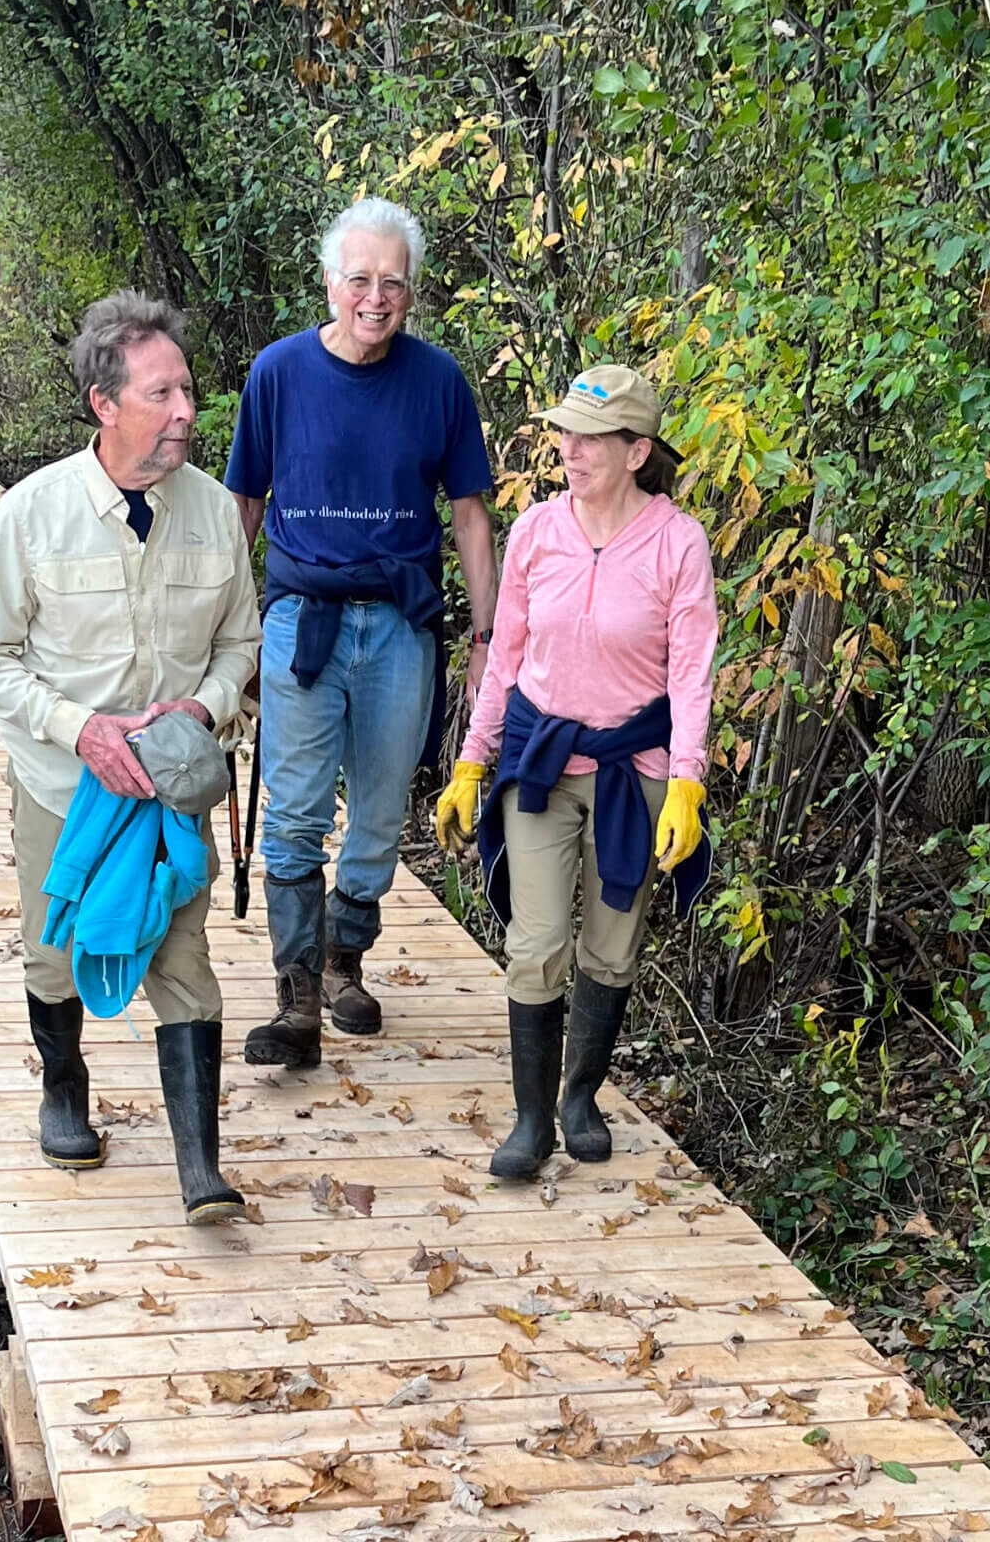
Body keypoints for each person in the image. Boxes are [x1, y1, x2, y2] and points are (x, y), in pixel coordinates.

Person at [0, 291, 261, 1225]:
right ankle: (62, 1088)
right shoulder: (34, 513)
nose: (185, 412)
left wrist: (203, 709)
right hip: (65, 784)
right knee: (57, 952)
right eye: (163, 394)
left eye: (188, 392)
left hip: (174, 786)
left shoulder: (213, 513)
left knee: (182, 955)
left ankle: (200, 1166)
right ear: (105, 403)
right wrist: (79, 728)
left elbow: (241, 645)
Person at [224, 198, 498, 1069]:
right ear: (330, 282)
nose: (375, 298)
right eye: (360, 280)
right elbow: (244, 504)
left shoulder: (438, 381)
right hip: (302, 621)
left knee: (380, 819)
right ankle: (297, 994)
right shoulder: (277, 373)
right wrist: (226, 625)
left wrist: (487, 638)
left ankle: (347, 962)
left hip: (400, 629)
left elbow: (469, 516)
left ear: (410, 291)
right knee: (296, 814)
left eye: (393, 283)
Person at [434, 364, 718, 1181]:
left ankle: (579, 1096)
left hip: (639, 770)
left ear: (637, 452)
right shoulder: (535, 532)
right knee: (537, 942)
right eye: (564, 433)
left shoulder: (677, 543)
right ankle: (531, 1122)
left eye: (590, 437)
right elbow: (505, 661)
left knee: (611, 946)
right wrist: (469, 762)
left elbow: (693, 673)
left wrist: (689, 783)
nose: (570, 449)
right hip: (541, 762)